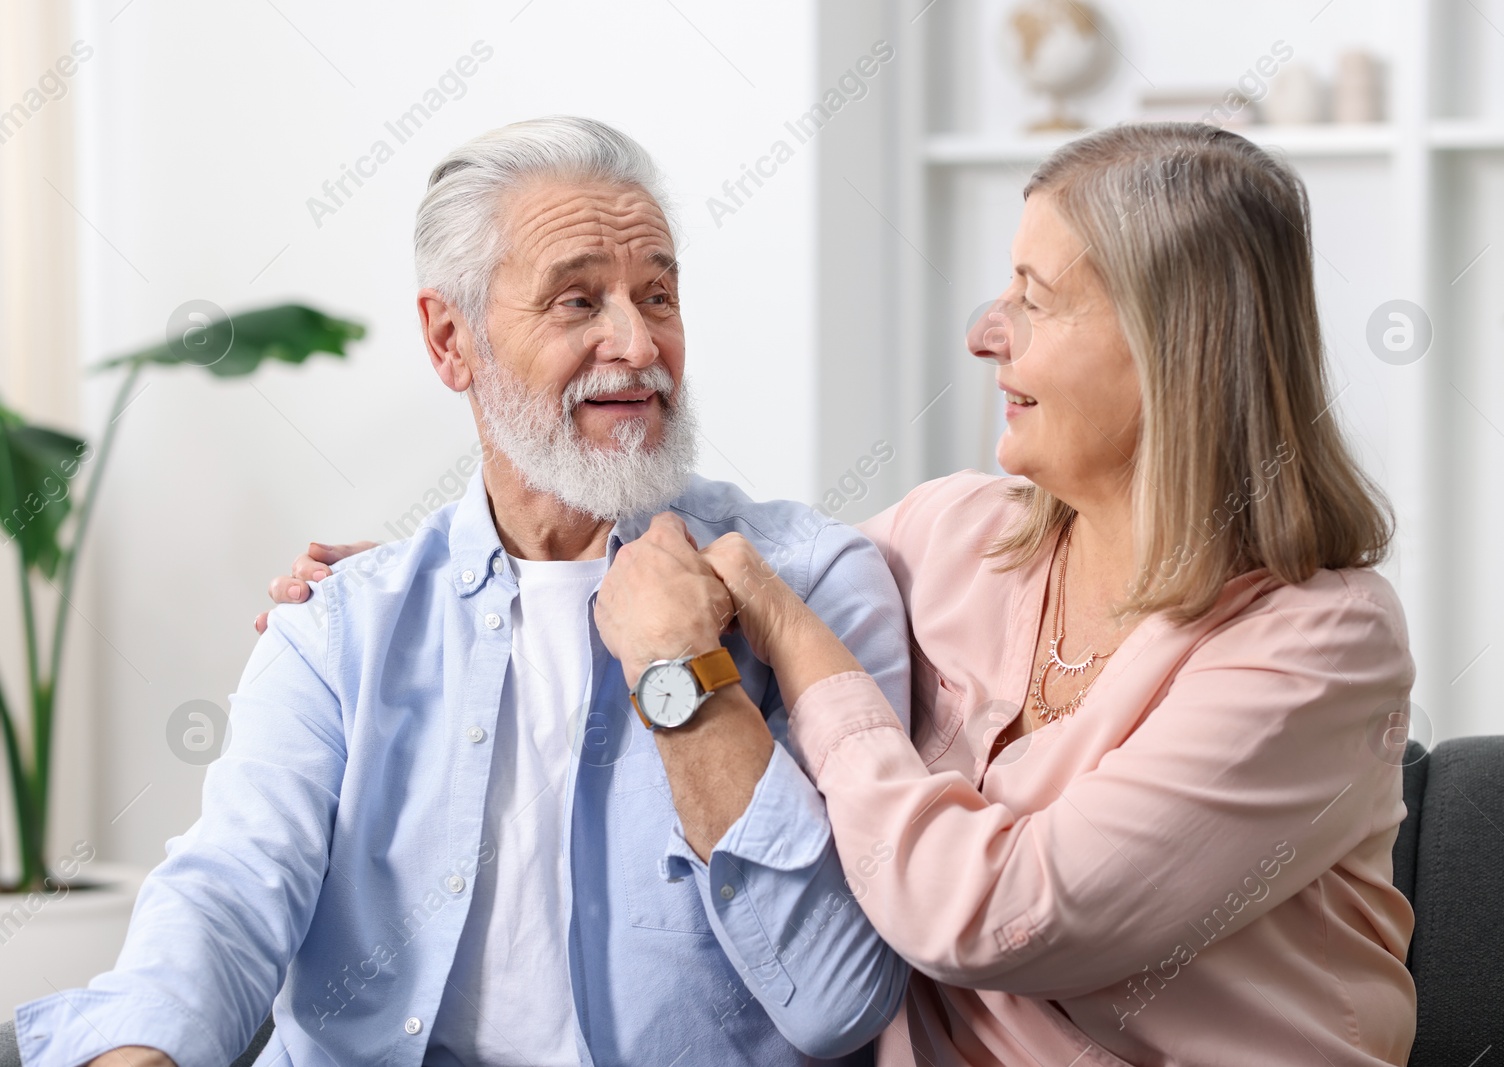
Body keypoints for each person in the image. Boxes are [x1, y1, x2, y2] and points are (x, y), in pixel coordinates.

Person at [284, 121, 1417, 1064]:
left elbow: (990, 913)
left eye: (1032, 297)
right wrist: (467, 572)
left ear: (1173, 345)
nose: (984, 334)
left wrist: (786, 631)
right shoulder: (957, 536)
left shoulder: (1318, 644)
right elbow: (710, 559)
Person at [13, 117, 909, 1067]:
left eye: (659, 295)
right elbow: (232, 884)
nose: (637, 342)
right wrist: (139, 1049)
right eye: (577, 301)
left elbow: (837, 999)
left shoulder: (811, 583)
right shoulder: (340, 624)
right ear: (452, 340)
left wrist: (683, 672)